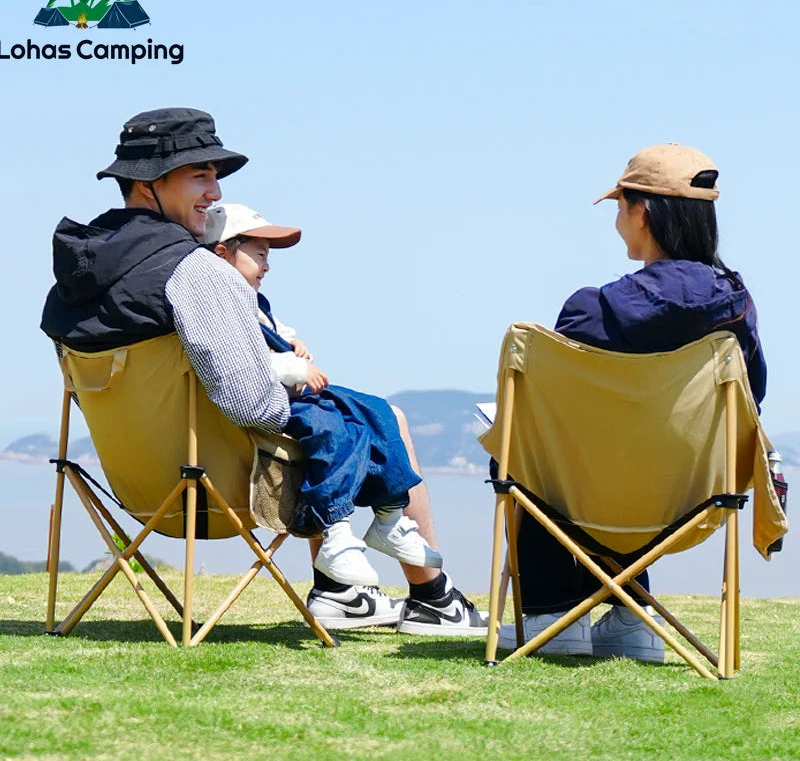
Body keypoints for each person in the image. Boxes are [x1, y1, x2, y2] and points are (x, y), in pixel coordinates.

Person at [40, 107, 487, 636]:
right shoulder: (196, 270)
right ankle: (431, 597)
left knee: (347, 414)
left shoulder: (74, 286)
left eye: (215, 176)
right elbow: (251, 405)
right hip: (221, 486)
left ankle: (345, 592)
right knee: (363, 418)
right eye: (199, 175)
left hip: (134, 489)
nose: (214, 192)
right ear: (147, 183)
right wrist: (301, 392)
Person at [497, 143, 766, 661]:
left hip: (585, 497)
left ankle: (552, 613)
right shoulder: (738, 310)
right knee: (643, 456)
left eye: (620, 206)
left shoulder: (591, 309)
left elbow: (556, 408)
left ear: (641, 211)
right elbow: (752, 400)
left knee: (529, 445)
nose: (617, 218)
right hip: (691, 497)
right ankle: (631, 616)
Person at [202, 202, 443, 590]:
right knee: (332, 430)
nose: (267, 265)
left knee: (376, 412)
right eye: (259, 254)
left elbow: (277, 334)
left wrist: (293, 341)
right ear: (222, 253)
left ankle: (390, 516)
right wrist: (297, 369)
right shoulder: (218, 306)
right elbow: (243, 366)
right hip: (273, 408)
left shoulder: (254, 302)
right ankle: (335, 526)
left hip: (292, 396)